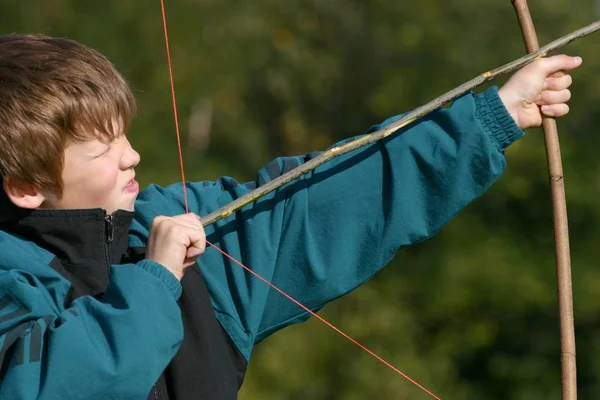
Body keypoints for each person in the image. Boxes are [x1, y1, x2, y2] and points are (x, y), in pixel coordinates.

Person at [0, 33, 580, 399]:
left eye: (123, 133)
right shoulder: (14, 283)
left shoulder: (169, 225)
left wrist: (493, 118)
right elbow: (55, 383)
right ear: (26, 186)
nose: (132, 155)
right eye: (102, 148)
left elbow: (317, 201)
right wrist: (154, 282)